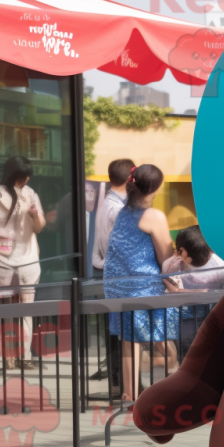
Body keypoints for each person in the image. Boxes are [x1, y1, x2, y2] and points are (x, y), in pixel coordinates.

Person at [104, 164, 178, 401]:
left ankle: (130, 395)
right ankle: (172, 390)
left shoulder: (123, 212)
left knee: (129, 341)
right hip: (143, 287)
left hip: (116, 286)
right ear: (156, 188)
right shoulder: (154, 216)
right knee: (164, 339)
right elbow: (166, 259)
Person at [0, 156, 46, 372]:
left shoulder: (28, 193)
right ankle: (7, 358)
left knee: (16, 311)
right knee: (7, 311)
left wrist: (35, 215)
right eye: (24, 176)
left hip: (22, 261)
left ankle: (18, 357)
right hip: (2, 261)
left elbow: (40, 226)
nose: (27, 179)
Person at [89, 158, 134, 385]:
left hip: (110, 272)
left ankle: (121, 381)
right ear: (130, 178)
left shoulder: (108, 203)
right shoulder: (118, 209)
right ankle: (122, 382)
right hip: (119, 275)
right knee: (121, 333)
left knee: (118, 332)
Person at [162, 225, 224, 353]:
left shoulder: (220, 264)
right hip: (189, 322)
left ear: (183, 250)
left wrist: (178, 291)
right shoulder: (221, 263)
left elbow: (174, 290)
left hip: (209, 319)